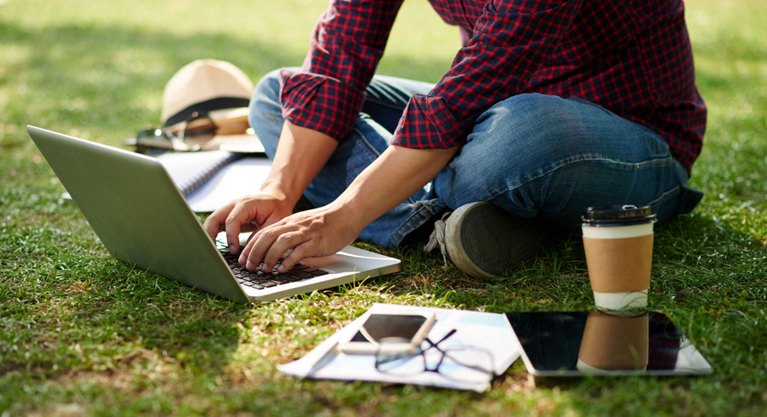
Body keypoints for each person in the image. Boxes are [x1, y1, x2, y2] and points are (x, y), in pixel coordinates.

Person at [203, 0, 706, 279]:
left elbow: (462, 102)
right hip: (492, 111)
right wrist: (280, 188)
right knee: (279, 94)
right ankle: (441, 224)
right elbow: (340, 55)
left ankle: (443, 204)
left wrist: (346, 213)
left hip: (627, 142)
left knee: (517, 136)